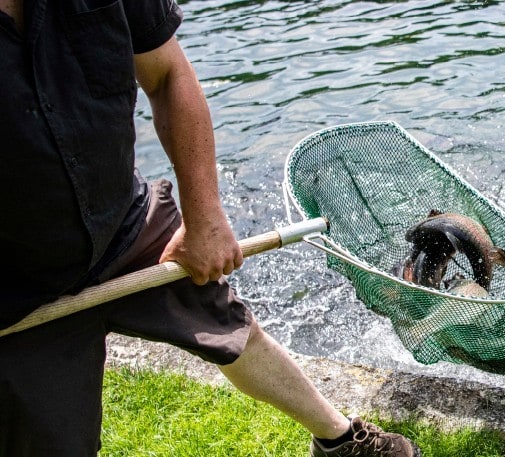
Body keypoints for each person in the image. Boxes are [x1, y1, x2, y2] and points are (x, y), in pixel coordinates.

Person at [0, 0, 420, 456]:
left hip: (122, 222)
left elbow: (167, 76)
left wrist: (204, 219)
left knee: (228, 326)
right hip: (17, 285)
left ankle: (340, 441)